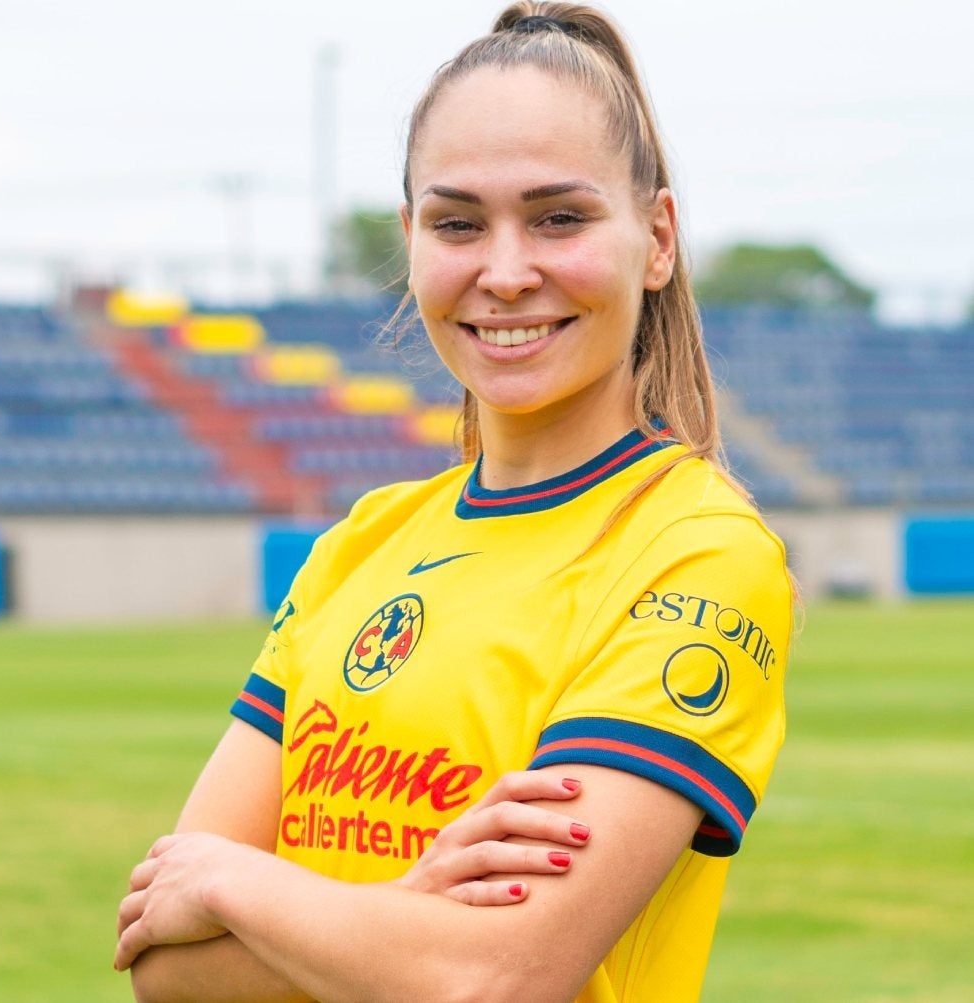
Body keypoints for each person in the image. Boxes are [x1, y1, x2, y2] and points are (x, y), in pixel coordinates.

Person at [115, 3, 793, 1000]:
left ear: (654, 240)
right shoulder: (364, 540)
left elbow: (496, 979)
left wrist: (232, 881)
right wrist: (405, 911)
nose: (505, 271)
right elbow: (164, 964)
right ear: (410, 240)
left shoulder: (693, 551)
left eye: (558, 217)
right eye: (457, 222)